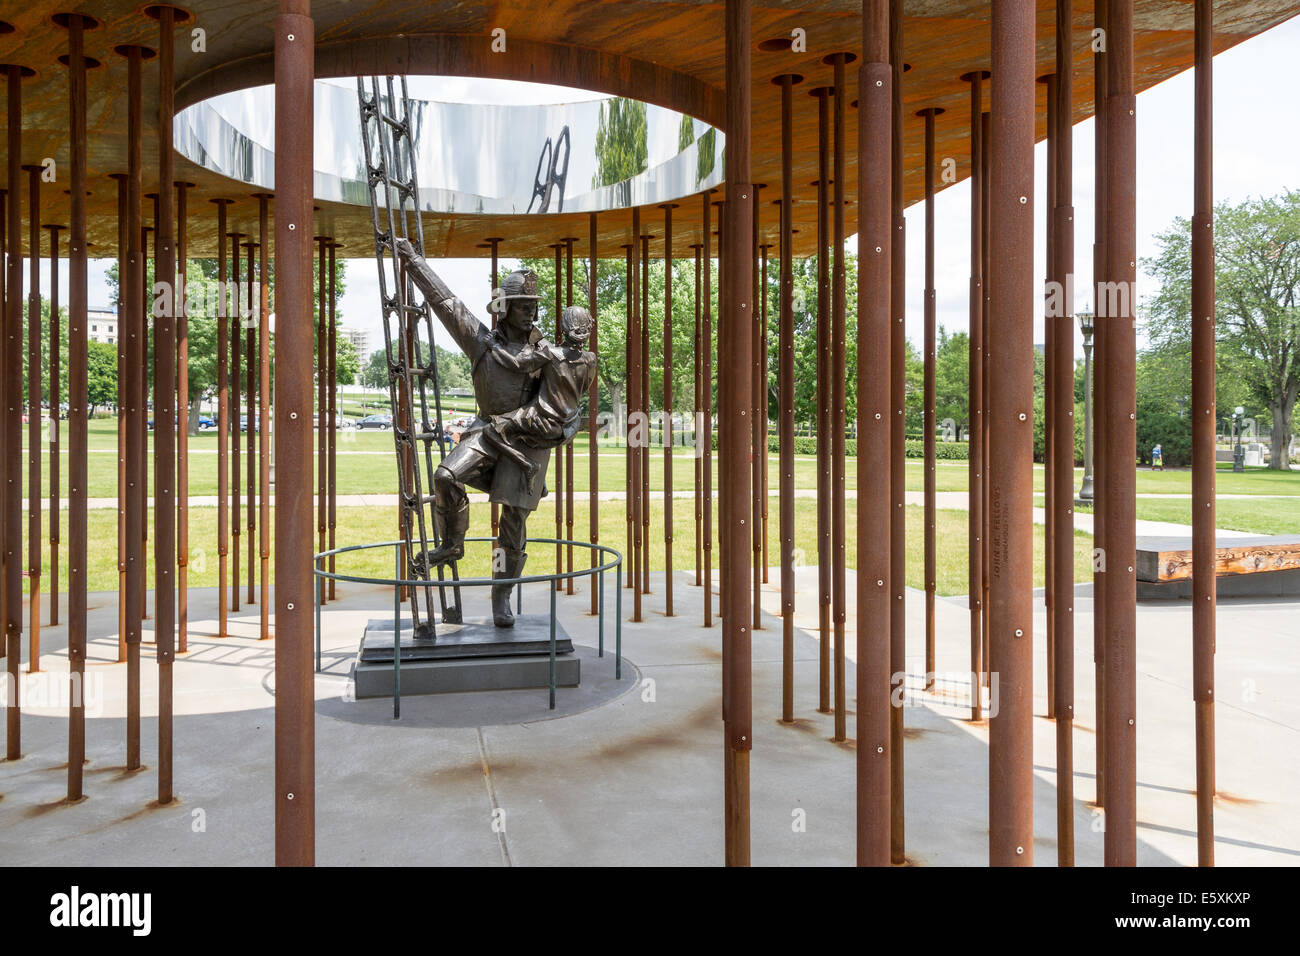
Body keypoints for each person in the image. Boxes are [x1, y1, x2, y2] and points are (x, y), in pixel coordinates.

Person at [480, 305, 597, 494]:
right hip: (569, 426)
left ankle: (527, 465)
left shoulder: (551, 354)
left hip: (544, 421)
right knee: (520, 433)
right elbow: (583, 388)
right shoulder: (591, 359)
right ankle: (539, 483)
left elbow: (517, 364)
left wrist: (494, 346)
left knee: (492, 430)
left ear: (565, 328)